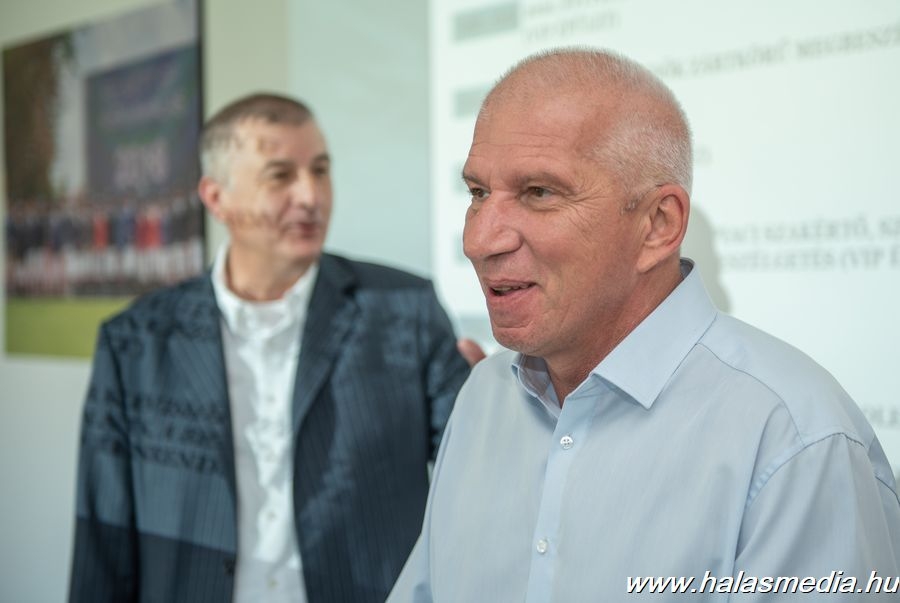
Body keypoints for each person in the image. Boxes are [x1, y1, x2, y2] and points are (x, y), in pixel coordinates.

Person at [389, 48, 900, 601]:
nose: (479, 240)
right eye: (478, 193)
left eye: (539, 193)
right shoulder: (483, 399)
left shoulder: (795, 442)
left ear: (658, 224)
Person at [69, 93, 470, 603]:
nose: (311, 195)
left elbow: (473, 473)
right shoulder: (136, 342)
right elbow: (103, 535)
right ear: (217, 198)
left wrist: (491, 405)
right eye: (280, 176)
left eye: (320, 170)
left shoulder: (404, 310)